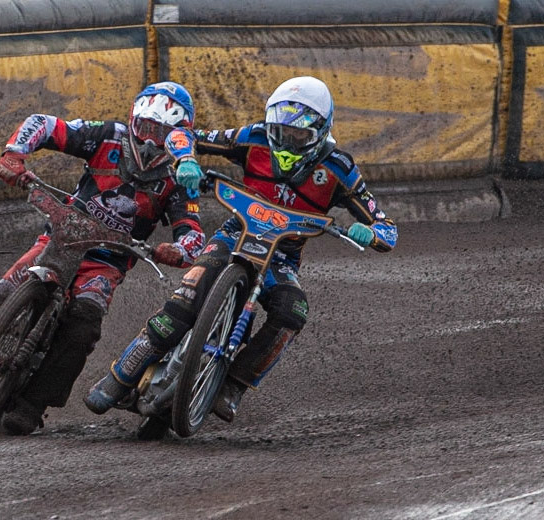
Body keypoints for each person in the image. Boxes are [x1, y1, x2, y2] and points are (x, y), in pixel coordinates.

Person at [84, 76, 398, 422]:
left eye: (297, 136)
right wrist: (186, 159)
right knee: (185, 301)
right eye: (280, 132)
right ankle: (120, 376)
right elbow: (183, 134)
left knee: (293, 311)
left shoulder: (340, 169)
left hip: (280, 256)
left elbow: (387, 227)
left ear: (321, 133)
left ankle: (234, 385)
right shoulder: (253, 137)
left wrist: (371, 233)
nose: (286, 142)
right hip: (235, 234)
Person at [0, 82, 206, 435]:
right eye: (145, 128)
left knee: (84, 324)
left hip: (107, 261)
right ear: (133, 119)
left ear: (179, 135)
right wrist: (15, 153)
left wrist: (178, 249)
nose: (150, 140)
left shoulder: (179, 178)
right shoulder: (108, 136)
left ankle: (34, 404)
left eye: (161, 133)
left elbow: (193, 232)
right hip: (60, 238)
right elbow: (45, 124)